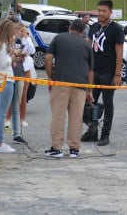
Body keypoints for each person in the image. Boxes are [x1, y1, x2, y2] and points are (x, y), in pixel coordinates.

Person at [44, 18, 94, 158]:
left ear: (69, 28)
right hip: (80, 85)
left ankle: (57, 148)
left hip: (61, 83)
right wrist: (90, 90)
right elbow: (90, 70)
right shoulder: (86, 45)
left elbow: (48, 58)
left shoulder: (59, 38)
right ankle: (74, 149)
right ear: (83, 31)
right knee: (76, 118)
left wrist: (50, 77)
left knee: (58, 117)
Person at [83, 0, 123, 146]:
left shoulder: (117, 29)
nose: (100, 13)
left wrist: (117, 74)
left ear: (110, 12)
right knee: (90, 102)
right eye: (99, 10)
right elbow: (88, 47)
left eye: (104, 11)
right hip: (94, 71)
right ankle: (92, 130)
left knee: (107, 103)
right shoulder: (93, 27)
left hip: (108, 72)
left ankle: (105, 134)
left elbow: (119, 53)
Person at [0, 18, 21, 153]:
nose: (14, 33)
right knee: (1, 112)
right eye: (13, 30)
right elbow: (4, 63)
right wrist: (13, 56)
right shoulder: (2, 45)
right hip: (6, 79)